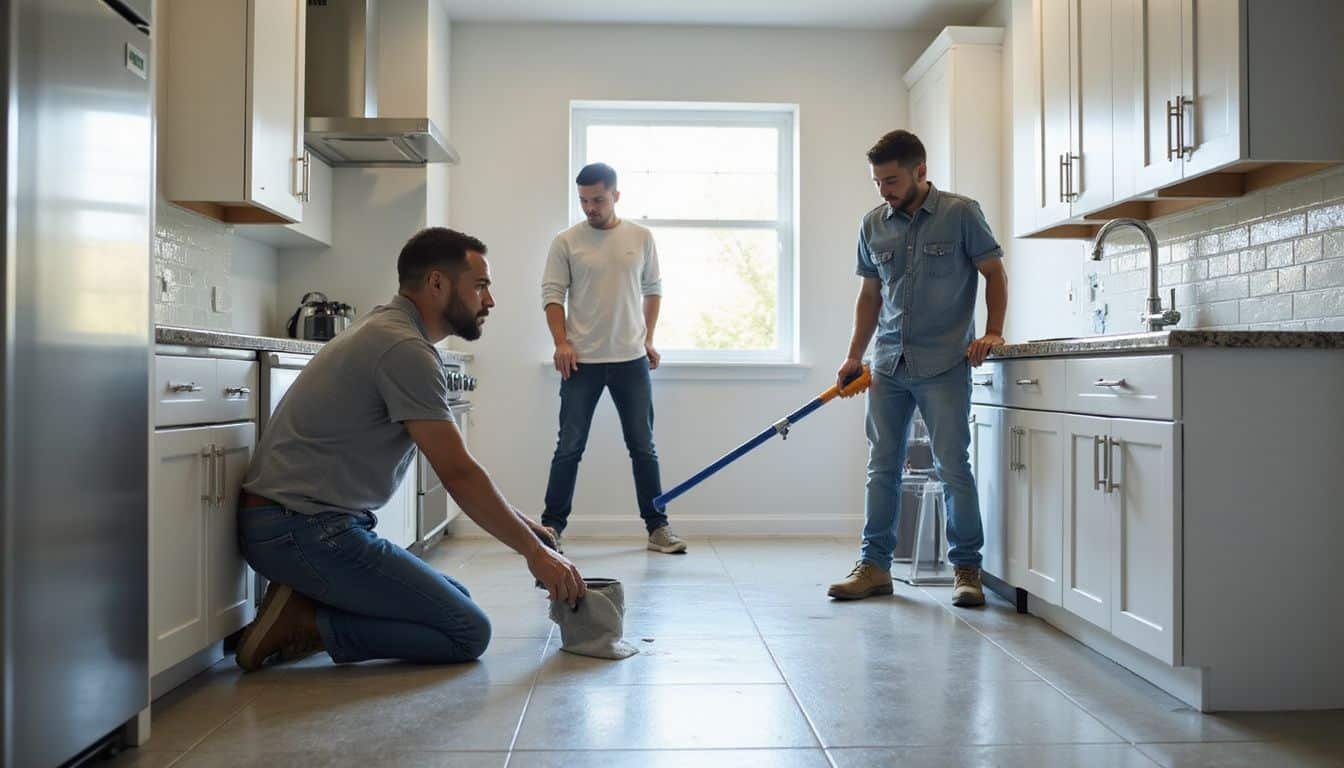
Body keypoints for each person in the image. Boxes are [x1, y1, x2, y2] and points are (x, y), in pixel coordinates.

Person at [233, 227, 586, 671]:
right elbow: (459, 474)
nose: (489, 301)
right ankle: (307, 622)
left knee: (456, 599)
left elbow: (460, 472)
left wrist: (523, 526)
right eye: (480, 285)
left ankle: (306, 599)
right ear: (437, 284)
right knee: (466, 631)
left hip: (302, 523)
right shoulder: (404, 348)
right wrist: (535, 555)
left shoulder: (390, 330)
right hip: (300, 529)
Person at [829, 130, 1008, 607]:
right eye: (877, 182)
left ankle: (966, 568)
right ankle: (874, 567)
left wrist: (992, 331)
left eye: (891, 179)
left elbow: (994, 272)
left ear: (920, 172)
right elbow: (870, 296)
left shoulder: (961, 213)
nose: (884, 189)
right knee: (881, 468)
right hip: (888, 363)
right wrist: (854, 354)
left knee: (953, 468)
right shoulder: (873, 225)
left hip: (945, 362)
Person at [539, 162, 686, 554]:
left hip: (630, 359)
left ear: (616, 196)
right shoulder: (566, 241)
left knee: (643, 446)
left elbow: (653, 289)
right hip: (580, 362)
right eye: (584, 200)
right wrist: (561, 342)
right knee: (569, 446)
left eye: (598, 200)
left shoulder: (640, 237)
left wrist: (648, 338)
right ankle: (551, 528)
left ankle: (658, 528)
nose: (591, 208)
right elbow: (552, 295)